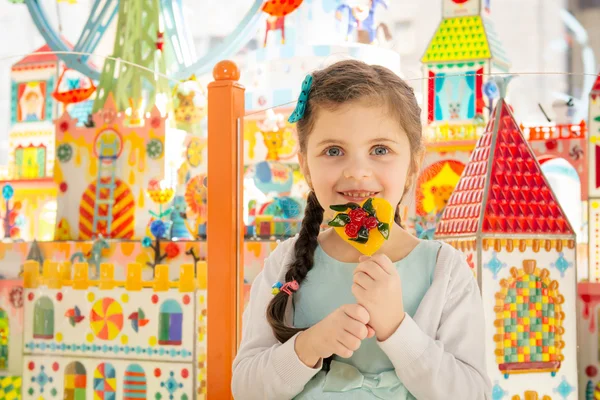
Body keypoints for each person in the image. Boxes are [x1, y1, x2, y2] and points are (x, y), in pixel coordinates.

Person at [232, 60, 491, 399]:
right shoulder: (285, 262)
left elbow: (473, 394)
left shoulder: (445, 271)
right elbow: (246, 388)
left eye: (380, 150)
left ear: (413, 163)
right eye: (333, 151)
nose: (357, 171)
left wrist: (396, 327)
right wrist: (309, 345)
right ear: (306, 166)